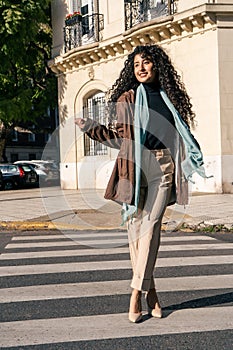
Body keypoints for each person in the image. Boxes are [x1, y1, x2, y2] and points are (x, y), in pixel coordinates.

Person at [75, 44, 211, 323]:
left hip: (164, 168)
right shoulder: (128, 98)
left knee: (149, 227)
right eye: (136, 64)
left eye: (146, 62)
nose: (141, 68)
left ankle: (135, 293)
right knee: (137, 230)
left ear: (157, 66)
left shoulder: (168, 99)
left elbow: (179, 136)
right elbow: (121, 140)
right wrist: (92, 129)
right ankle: (152, 293)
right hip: (136, 168)